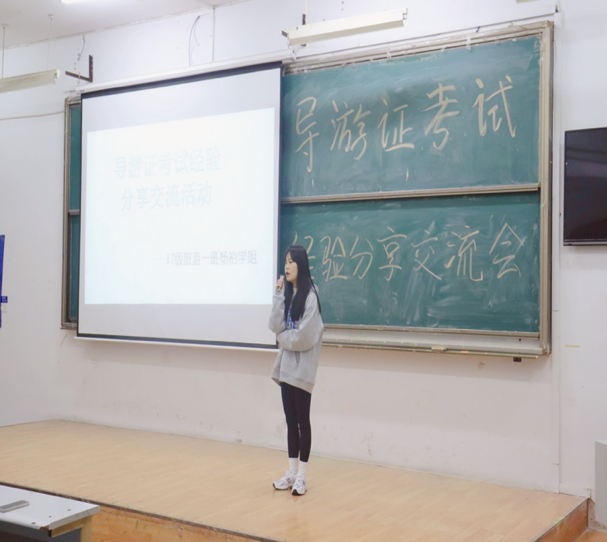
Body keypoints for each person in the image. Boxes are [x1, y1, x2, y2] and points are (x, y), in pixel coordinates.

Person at [268, 245, 323, 496]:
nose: (287, 266)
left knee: (303, 423)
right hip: (286, 368)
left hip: (303, 371)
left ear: (301, 264)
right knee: (290, 422)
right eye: (285, 262)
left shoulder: (311, 297)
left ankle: (302, 476)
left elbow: (303, 338)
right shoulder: (289, 295)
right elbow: (274, 325)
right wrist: (278, 294)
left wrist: (283, 337)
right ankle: (291, 473)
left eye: (291, 262)